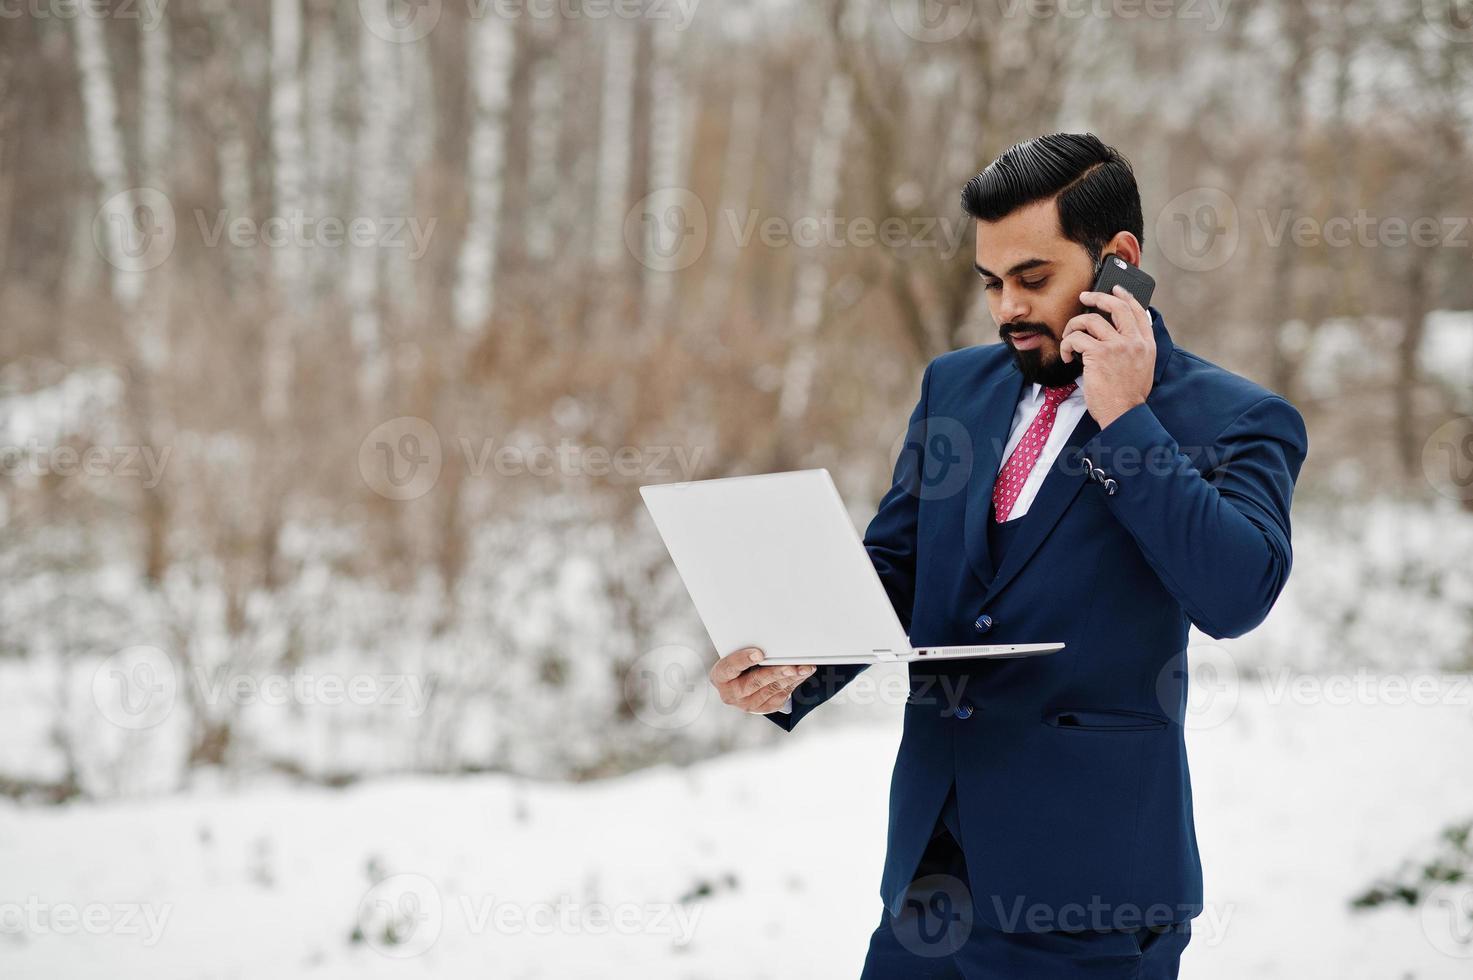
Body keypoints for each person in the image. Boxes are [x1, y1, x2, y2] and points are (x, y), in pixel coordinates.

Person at [707, 133, 1308, 978]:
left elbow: (1236, 595)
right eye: (991, 282)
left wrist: (1126, 421)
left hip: (1092, 901)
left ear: (1117, 262)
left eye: (1032, 279)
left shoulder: (1234, 418)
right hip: (927, 886)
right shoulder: (954, 388)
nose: (1005, 310)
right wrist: (798, 659)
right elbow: (898, 567)